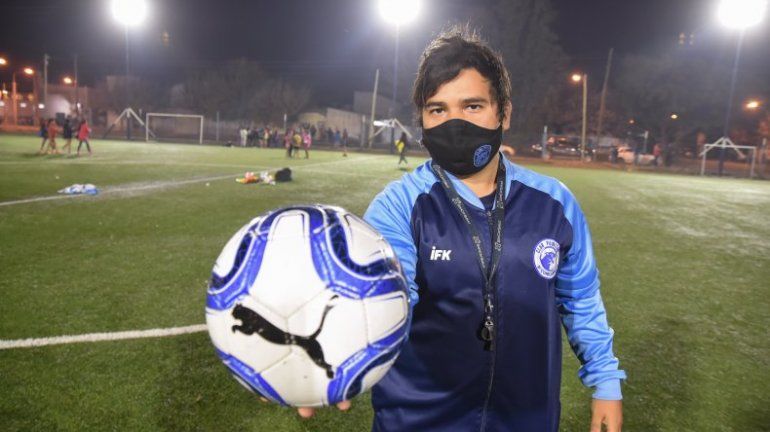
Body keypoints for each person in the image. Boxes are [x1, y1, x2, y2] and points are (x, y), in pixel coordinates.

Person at [297, 27, 626, 431]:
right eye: (437, 110)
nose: (454, 123)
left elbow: (580, 298)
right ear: (421, 119)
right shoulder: (400, 206)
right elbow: (385, 298)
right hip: (418, 419)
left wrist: (606, 381)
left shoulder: (554, 203)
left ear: (504, 111)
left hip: (526, 419)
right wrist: (336, 351)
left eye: (471, 106)